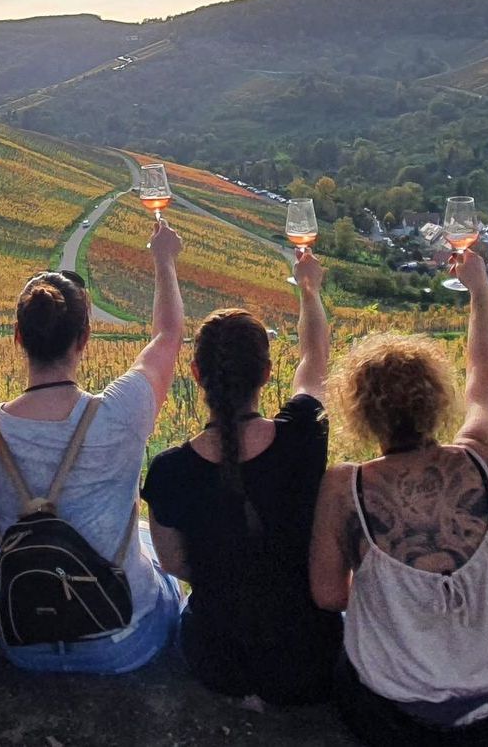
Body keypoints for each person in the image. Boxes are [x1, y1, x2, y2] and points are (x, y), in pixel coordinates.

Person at [309, 249, 488, 746]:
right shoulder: (485, 458)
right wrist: (480, 290)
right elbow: (484, 372)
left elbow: (329, 596)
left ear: (358, 413)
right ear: (440, 400)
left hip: (398, 723)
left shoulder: (345, 487)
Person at [0, 218, 185, 674]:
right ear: (85, 339)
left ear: (17, 338)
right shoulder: (122, 411)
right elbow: (167, 337)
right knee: (159, 566)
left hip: (23, 641)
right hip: (119, 641)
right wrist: (163, 260)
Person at [141, 250, 343, 705]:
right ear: (268, 375)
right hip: (307, 661)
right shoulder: (304, 434)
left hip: (218, 662)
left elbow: (175, 565)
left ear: (196, 375)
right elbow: (315, 360)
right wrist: (309, 291)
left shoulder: (170, 471)